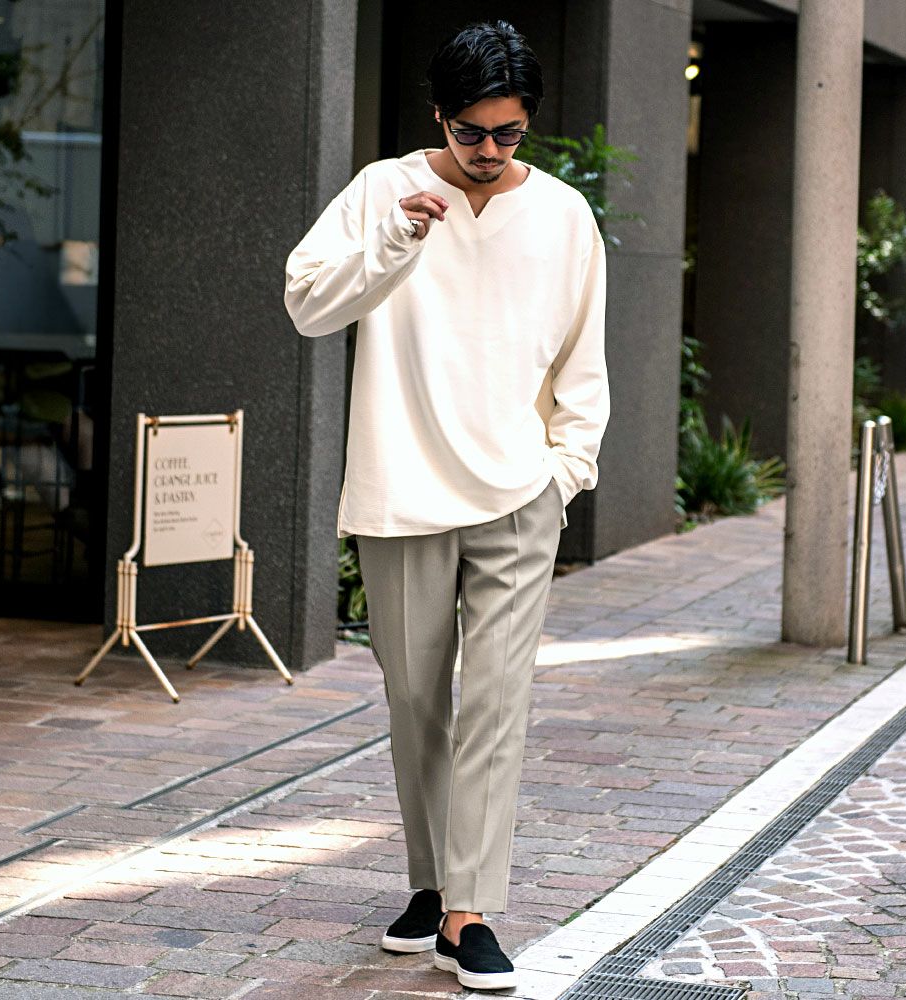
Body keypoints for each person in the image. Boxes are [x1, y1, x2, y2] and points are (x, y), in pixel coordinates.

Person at [283, 19, 609, 991]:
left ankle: (470, 912)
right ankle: (431, 885)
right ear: (439, 116)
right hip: (401, 491)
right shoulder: (381, 191)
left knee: (496, 703)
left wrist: (565, 472)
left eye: (509, 133)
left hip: (517, 496)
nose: (489, 151)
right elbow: (308, 306)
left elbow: (582, 361)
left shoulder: (562, 216)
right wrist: (398, 238)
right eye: (472, 132)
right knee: (417, 701)